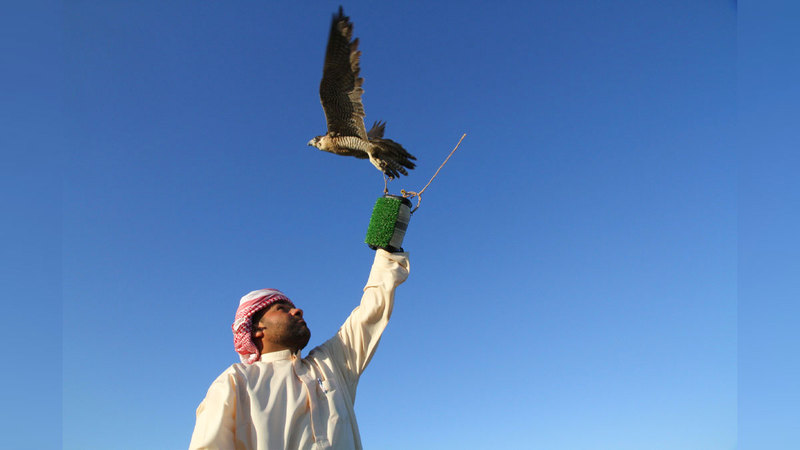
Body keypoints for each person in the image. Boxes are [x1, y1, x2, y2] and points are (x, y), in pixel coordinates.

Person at [189, 249, 410, 450]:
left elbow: (369, 314)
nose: (297, 311)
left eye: (293, 308)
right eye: (281, 309)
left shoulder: (330, 364)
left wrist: (388, 251)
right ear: (256, 329)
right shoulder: (237, 382)